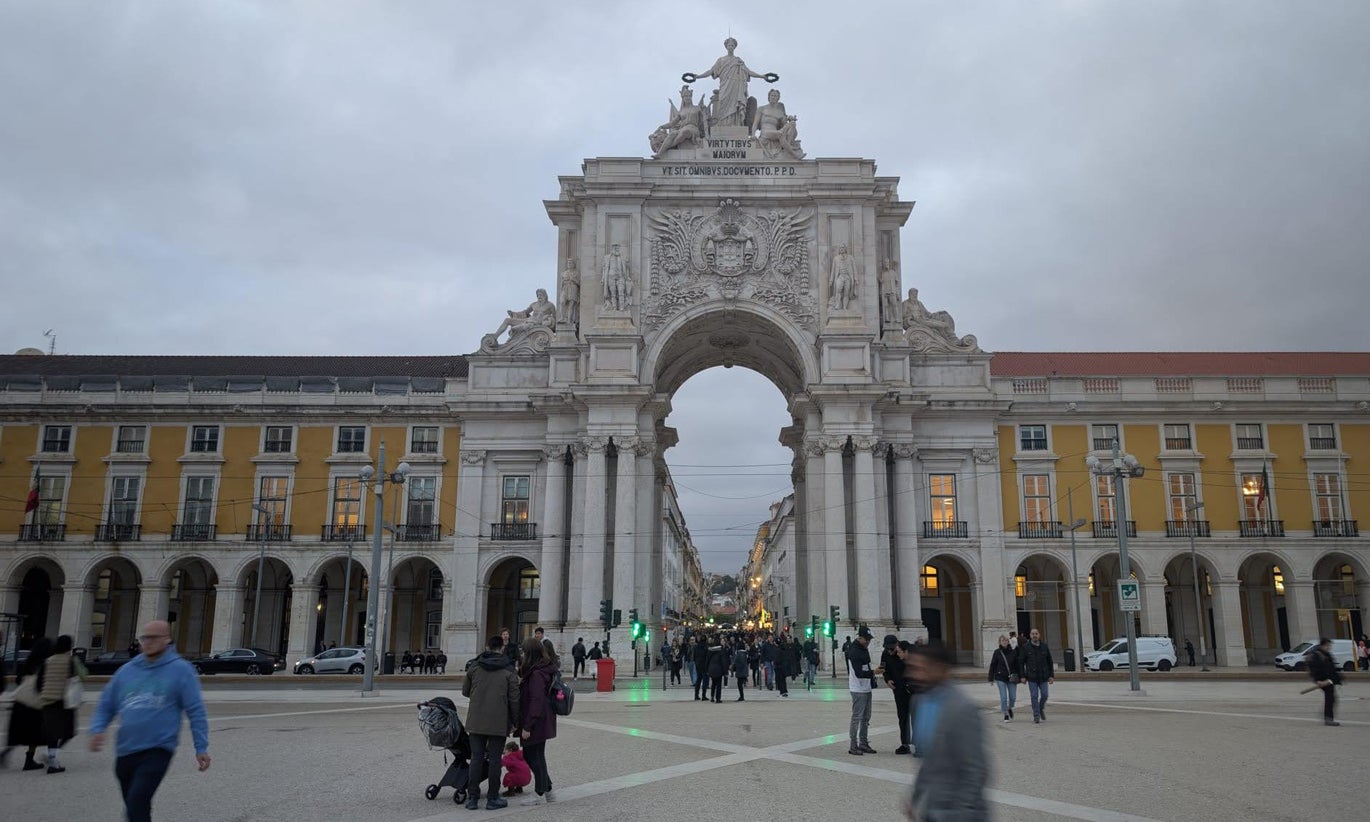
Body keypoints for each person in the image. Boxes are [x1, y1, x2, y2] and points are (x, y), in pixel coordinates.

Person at [90, 621, 211, 822]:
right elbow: (107, 703)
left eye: (154, 637)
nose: (148, 642)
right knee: (135, 806)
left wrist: (201, 747)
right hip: (126, 750)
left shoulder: (181, 670)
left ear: (167, 639)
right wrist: (97, 728)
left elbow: (196, 711)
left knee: (137, 800)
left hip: (158, 748)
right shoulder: (127, 670)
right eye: (145, 638)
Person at [903, 639, 989, 822]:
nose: (915, 675)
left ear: (941, 669)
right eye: (913, 668)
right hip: (933, 809)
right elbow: (928, 760)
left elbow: (975, 770)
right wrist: (915, 797)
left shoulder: (962, 708)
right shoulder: (920, 702)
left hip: (960, 813)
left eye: (921, 668)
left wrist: (961, 813)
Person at [462, 634, 520, 810]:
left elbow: (465, 691)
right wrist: (516, 720)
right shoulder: (509, 670)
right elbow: (514, 699)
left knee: (476, 758)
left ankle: (472, 798)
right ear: (502, 648)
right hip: (498, 720)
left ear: (487, 647)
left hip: (476, 719)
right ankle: (492, 798)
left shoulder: (474, 666)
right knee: (495, 759)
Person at [689, 37, 773, 127]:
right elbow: (711, 71)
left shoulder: (738, 60)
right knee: (723, 104)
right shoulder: (721, 60)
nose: (730, 47)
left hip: (736, 86)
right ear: (726, 46)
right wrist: (697, 76)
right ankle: (722, 125)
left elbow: (748, 71)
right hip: (725, 86)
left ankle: (736, 125)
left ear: (734, 47)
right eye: (729, 45)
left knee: (735, 106)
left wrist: (762, 76)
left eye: (732, 45)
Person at [516, 636, 559, 805]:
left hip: (536, 720)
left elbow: (536, 700)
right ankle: (548, 790)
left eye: (524, 652)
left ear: (530, 654)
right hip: (542, 719)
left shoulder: (536, 674)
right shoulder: (542, 669)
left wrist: (527, 726)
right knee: (534, 755)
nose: (522, 655)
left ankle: (540, 793)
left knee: (533, 755)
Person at [2, 636, 53, 771]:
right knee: (36, 733)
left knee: (17, 731)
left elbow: (19, 680)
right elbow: (41, 685)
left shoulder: (28, 662)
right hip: (34, 704)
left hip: (20, 701)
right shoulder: (46, 664)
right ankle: (29, 760)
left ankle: (5, 753)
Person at [847, 626, 878, 755]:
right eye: (866, 639)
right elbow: (859, 673)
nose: (868, 642)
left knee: (866, 717)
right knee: (857, 717)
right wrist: (873, 672)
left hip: (866, 687)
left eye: (869, 639)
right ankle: (853, 745)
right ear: (859, 637)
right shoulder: (853, 651)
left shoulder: (863, 649)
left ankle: (863, 743)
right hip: (858, 688)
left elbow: (866, 666)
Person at [881, 634, 914, 753]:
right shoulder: (885, 653)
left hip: (911, 690)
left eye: (892, 648)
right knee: (902, 717)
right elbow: (884, 669)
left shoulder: (905, 652)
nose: (890, 651)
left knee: (916, 717)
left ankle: (919, 744)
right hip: (898, 690)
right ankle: (905, 744)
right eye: (888, 648)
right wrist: (887, 679)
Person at [1018, 627, 1055, 724]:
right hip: (1032, 676)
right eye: (1032, 634)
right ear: (1030, 636)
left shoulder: (1044, 646)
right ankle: (1036, 716)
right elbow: (1021, 662)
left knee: (1045, 695)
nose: (1034, 635)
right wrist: (1022, 676)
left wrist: (1051, 675)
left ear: (1039, 635)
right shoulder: (1026, 647)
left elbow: (1050, 661)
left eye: (1036, 633)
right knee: (1034, 696)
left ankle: (1040, 707)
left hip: (1044, 676)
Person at [1306, 637, 1343, 726]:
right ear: (1323, 645)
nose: (1329, 647)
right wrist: (1318, 680)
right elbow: (1314, 669)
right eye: (1327, 645)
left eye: (1329, 645)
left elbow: (1332, 668)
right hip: (1323, 680)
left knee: (1331, 698)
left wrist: (1337, 679)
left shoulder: (1327, 654)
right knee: (1330, 698)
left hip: (1329, 680)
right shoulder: (1317, 655)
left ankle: (1327, 717)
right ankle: (1328, 718)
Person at [988, 634, 1020, 722]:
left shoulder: (1013, 652)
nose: (1005, 642)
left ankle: (1010, 707)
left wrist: (1021, 676)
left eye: (1006, 640)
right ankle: (1005, 713)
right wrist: (991, 678)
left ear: (1008, 641)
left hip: (1012, 677)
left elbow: (1017, 665)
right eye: (1003, 640)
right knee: (1003, 697)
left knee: (1013, 697)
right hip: (1000, 677)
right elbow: (993, 665)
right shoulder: (997, 652)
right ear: (1000, 642)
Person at [601, 244, 632, 312]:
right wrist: (603, 278)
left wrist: (627, 276)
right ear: (612, 249)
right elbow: (604, 268)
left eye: (617, 247)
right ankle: (614, 307)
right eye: (615, 247)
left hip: (620, 277)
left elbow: (627, 268)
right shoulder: (607, 257)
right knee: (613, 293)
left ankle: (622, 308)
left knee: (621, 292)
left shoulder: (622, 257)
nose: (616, 249)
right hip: (610, 277)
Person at [828, 245, 857, 311]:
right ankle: (837, 305)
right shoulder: (836, 258)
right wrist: (831, 280)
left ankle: (844, 307)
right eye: (840, 248)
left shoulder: (850, 258)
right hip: (840, 276)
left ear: (845, 249)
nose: (842, 249)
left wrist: (856, 278)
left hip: (847, 277)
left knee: (846, 293)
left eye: (843, 248)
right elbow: (833, 270)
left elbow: (854, 268)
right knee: (838, 291)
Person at [706, 636, 728, 704]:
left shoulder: (711, 650)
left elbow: (707, 660)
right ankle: (718, 698)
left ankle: (712, 697)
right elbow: (724, 662)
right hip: (719, 669)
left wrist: (707, 669)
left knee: (713, 683)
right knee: (718, 684)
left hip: (711, 669)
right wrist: (725, 672)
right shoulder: (721, 651)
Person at [693, 636, 711, 701]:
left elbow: (694, 656)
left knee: (698, 680)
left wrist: (696, 662)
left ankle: (696, 695)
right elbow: (708, 657)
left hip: (698, 665)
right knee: (705, 681)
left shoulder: (696, 647)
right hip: (705, 665)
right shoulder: (706, 647)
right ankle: (704, 696)